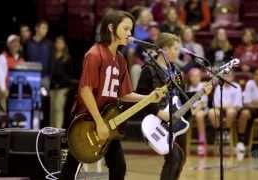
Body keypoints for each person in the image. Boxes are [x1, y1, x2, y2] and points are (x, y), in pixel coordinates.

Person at [61, 10, 164, 180]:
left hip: (109, 121)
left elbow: (125, 94)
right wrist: (99, 122)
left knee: (118, 167)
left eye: (130, 30)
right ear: (111, 28)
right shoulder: (94, 54)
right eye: (125, 29)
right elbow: (85, 91)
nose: (129, 34)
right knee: (71, 169)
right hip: (86, 121)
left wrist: (149, 97)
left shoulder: (121, 59)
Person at [136, 32, 191, 180]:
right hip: (158, 120)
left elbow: (181, 97)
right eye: (175, 48)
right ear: (164, 49)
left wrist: (199, 95)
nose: (177, 52)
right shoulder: (149, 70)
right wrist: (158, 112)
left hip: (177, 119)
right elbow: (141, 98)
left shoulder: (177, 72)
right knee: (173, 158)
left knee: (181, 158)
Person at [208, 72, 243, 142]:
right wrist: (226, 106)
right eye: (226, 76)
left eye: (229, 76)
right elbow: (216, 104)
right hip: (220, 110)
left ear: (233, 77)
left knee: (230, 111)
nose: (227, 77)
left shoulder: (237, 86)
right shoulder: (219, 87)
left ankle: (227, 132)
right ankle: (219, 132)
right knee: (211, 112)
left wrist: (226, 107)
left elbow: (237, 105)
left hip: (233, 111)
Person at [50, 36, 75, 128]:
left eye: (61, 43)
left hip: (63, 87)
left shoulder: (67, 58)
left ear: (64, 45)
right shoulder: (51, 56)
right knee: (52, 109)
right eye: (57, 42)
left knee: (58, 108)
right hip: (52, 86)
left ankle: (57, 129)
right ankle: (51, 128)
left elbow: (70, 74)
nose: (59, 45)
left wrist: (65, 82)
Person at [0, 34, 24, 112]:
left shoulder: (20, 59)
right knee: (3, 114)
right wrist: (3, 90)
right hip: (6, 91)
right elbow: (0, 75)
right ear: (8, 44)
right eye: (13, 42)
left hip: (18, 92)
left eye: (17, 42)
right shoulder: (2, 57)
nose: (16, 44)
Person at [187, 68, 210, 156]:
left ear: (200, 77)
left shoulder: (203, 86)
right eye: (192, 76)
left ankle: (202, 141)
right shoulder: (188, 88)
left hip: (203, 109)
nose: (195, 78)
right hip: (192, 109)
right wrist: (191, 111)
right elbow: (188, 103)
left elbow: (202, 103)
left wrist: (193, 112)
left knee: (199, 115)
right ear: (190, 78)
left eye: (197, 76)